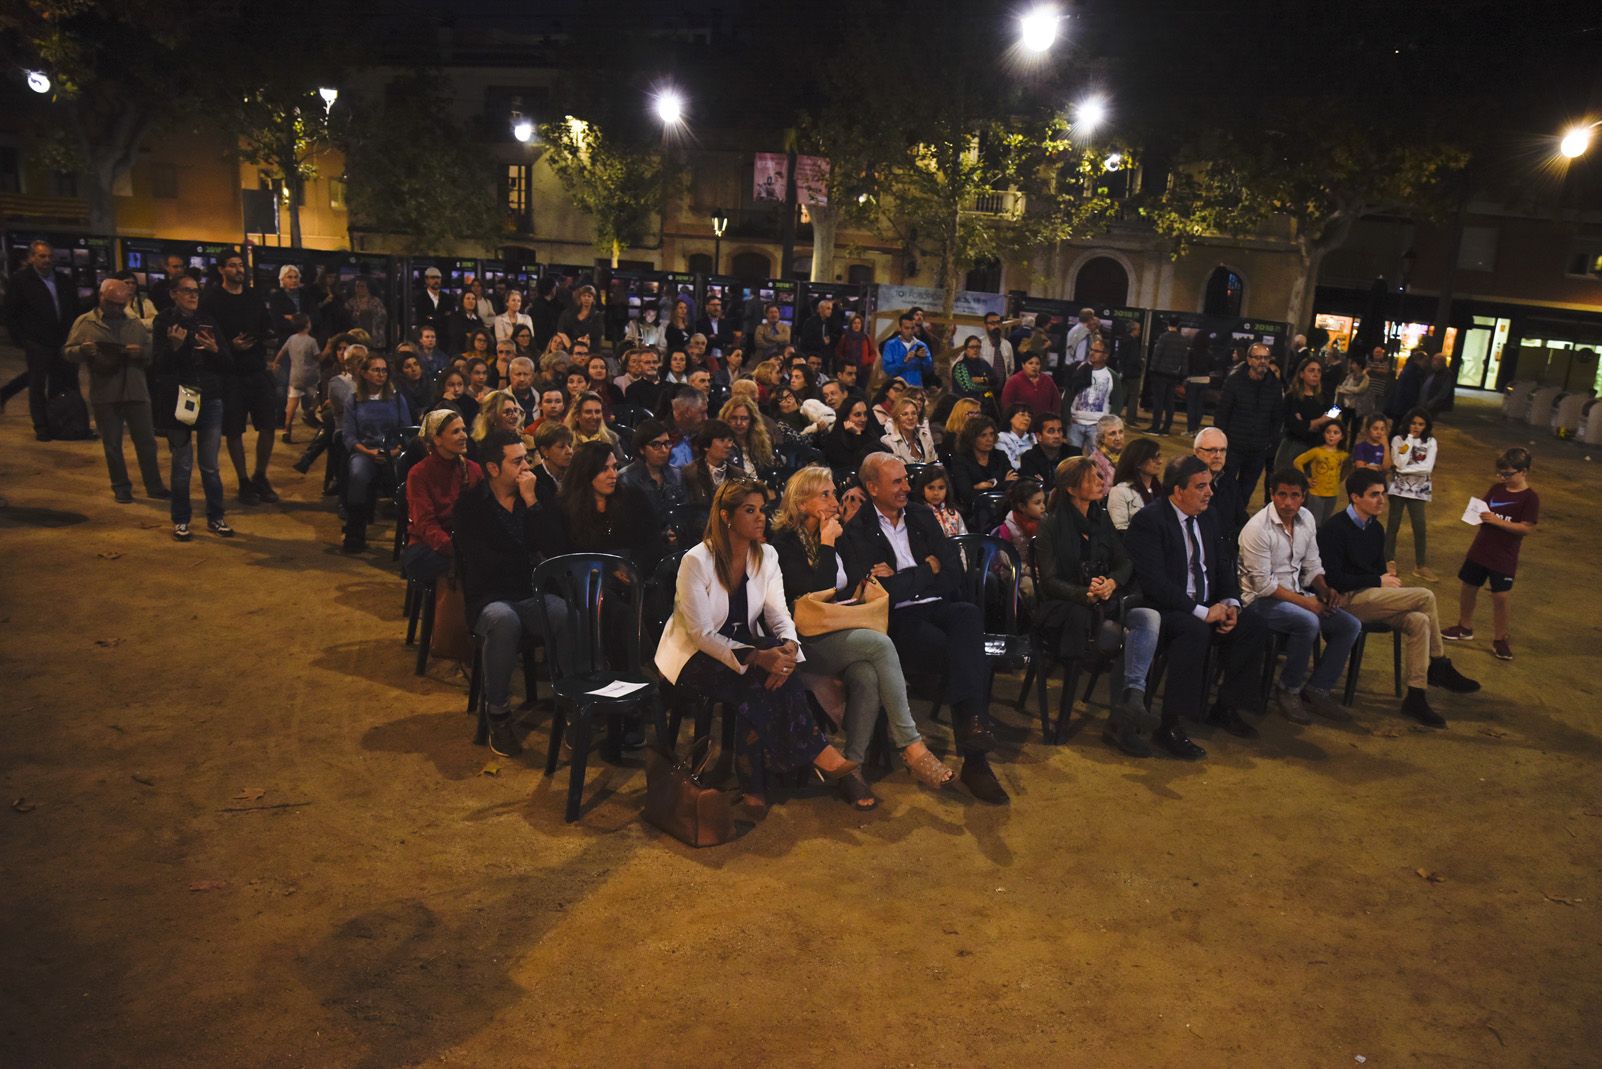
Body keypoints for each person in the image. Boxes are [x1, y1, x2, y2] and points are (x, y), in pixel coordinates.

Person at [655, 479, 861, 811]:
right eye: (749, 511)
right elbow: (700, 633)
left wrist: (789, 647)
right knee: (755, 681)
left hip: (742, 645)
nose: (760, 517)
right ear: (726, 516)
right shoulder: (697, 561)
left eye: (762, 509)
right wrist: (758, 657)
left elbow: (779, 613)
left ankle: (756, 785)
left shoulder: (766, 555)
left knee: (775, 668)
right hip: (694, 656)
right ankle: (806, 757)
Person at [769, 467, 958, 808]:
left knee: (868, 675)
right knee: (881, 644)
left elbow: (859, 576)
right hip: (805, 640)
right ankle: (911, 745)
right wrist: (827, 543)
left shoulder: (840, 535)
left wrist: (867, 570)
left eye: (833, 493)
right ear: (800, 502)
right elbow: (816, 589)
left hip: (843, 629)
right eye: (824, 495)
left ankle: (850, 768)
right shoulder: (782, 544)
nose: (834, 502)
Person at [840, 453, 1010, 804]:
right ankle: (975, 756)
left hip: (937, 605)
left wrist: (911, 577)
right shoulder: (857, 530)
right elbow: (882, 594)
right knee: (959, 653)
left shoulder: (921, 516)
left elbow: (952, 572)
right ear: (872, 487)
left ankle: (972, 728)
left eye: (905, 480)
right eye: (897, 482)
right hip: (897, 619)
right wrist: (924, 571)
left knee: (967, 614)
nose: (907, 487)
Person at [1124, 456, 1273, 758]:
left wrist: (1231, 603)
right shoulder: (1149, 521)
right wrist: (1202, 612)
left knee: (1254, 625)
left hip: (1207, 605)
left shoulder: (1209, 516)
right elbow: (1155, 584)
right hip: (1165, 610)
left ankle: (1226, 706)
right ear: (1178, 491)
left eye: (1209, 485)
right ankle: (1170, 725)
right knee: (1194, 632)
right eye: (1201, 486)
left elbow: (1223, 566)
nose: (1209, 492)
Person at [1318, 468, 1480, 726]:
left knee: (1419, 621)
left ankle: (1416, 696)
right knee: (1425, 595)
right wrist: (1379, 580)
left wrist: (1385, 581)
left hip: (1373, 598)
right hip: (1345, 602)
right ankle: (1439, 664)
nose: (1381, 500)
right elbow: (1334, 579)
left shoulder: (1375, 529)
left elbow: (1378, 569)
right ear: (1355, 497)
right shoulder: (1334, 529)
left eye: (1383, 494)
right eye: (1374, 495)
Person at [1035, 456, 1164, 756]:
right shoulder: (1050, 524)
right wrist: (1085, 594)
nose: (1100, 481)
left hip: (1106, 604)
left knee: (1148, 618)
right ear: (1070, 488)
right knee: (1127, 639)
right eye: (1091, 478)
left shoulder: (1100, 517)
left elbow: (1125, 561)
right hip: (1071, 611)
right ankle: (1124, 721)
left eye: (1099, 476)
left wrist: (1112, 584)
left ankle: (1131, 702)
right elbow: (1049, 581)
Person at [452, 429, 568, 757]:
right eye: (517, 461)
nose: (526, 466)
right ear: (492, 468)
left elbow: (556, 549)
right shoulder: (471, 506)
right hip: (490, 598)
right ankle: (499, 713)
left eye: (526, 458)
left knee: (563, 612)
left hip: (529, 592)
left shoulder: (537, 493)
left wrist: (532, 504)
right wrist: (528, 559)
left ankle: (572, 705)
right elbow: (483, 565)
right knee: (504, 620)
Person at [1237, 468, 1363, 725]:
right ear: (1271, 494)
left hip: (1297, 595)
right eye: (1282, 495)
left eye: (1295, 495)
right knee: (1307, 621)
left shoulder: (1305, 519)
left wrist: (1325, 590)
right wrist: (1308, 604)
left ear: (1304, 496)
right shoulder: (1257, 529)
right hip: (1259, 603)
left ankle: (1317, 689)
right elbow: (1262, 586)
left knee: (1350, 625)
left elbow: (1312, 563)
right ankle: (1289, 688)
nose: (1287, 502)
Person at [64, 279, 167, 504]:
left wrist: (140, 353)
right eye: (113, 304)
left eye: (122, 304)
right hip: (105, 392)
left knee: (147, 442)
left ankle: (154, 485)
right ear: (101, 297)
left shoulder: (134, 323)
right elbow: (67, 352)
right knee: (112, 443)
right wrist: (82, 350)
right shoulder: (86, 323)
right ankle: (121, 486)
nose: (117, 309)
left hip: (136, 390)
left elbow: (152, 355)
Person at [151, 272, 229, 538]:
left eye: (196, 290)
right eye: (186, 290)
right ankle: (181, 519)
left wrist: (215, 350)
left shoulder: (206, 320)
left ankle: (216, 517)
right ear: (174, 293)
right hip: (184, 395)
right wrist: (173, 347)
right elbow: (158, 367)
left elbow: (227, 360)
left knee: (210, 464)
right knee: (183, 463)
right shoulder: (164, 321)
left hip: (209, 395)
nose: (193, 295)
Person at [1443, 447, 1538, 662]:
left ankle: (1500, 638)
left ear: (1524, 472)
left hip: (1504, 556)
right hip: (1480, 549)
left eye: (1507, 474)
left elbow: (1526, 528)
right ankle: (1465, 626)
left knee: (1501, 597)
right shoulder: (1496, 489)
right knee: (1468, 586)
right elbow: (1482, 509)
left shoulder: (1530, 498)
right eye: (1501, 473)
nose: (1502, 478)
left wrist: (1497, 521)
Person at [202, 252, 279, 505]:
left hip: (256, 369)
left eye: (240, 265)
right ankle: (243, 479)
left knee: (268, 424)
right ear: (222, 270)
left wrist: (267, 338)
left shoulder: (253, 296)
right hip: (230, 373)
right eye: (233, 266)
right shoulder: (212, 299)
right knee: (234, 428)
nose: (239, 270)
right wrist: (230, 346)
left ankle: (260, 475)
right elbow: (207, 334)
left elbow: (267, 325)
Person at [533, 441, 664, 572]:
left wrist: (632, 568)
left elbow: (652, 542)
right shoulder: (563, 507)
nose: (613, 475)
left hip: (635, 576)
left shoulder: (633, 497)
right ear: (586, 472)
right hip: (584, 582)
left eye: (614, 467)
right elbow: (560, 555)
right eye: (604, 469)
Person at [3, 240, 85, 441]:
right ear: (32, 258)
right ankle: (41, 426)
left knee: (63, 383)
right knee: (37, 384)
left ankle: (62, 421)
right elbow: (10, 313)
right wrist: (22, 339)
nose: (47, 260)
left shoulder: (63, 280)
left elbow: (74, 308)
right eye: (42, 256)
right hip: (37, 341)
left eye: (49, 256)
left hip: (62, 341)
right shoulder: (21, 281)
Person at [402, 409, 484, 583]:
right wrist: (457, 548)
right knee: (469, 565)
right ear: (436, 439)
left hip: (466, 542)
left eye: (464, 430)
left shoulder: (474, 469)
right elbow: (426, 524)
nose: (464, 436)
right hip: (427, 545)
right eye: (456, 431)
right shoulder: (419, 474)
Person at [341, 350, 411, 552]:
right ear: (364, 373)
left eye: (384, 370)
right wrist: (368, 452)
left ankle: (409, 533)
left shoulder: (397, 400)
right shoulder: (353, 401)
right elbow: (349, 436)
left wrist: (396, 451)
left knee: (404, 481)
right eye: (376, 370)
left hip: (393, 452)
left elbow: (406, 430)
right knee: (358, 475)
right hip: (365, 452)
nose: (381, 374)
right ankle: (355, 532)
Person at [1214, 343, 1283, 503]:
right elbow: (1222, 413)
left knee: (1247, 489)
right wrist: (1221, 441)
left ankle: (1237, 522)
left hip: (1258, 448)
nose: (1263, 362)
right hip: (1233, 446)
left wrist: (1269, 442)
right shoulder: (1234, 382)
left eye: (1266, 358)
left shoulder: (1274, 385)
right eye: (1258, 357)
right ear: (1249, 360)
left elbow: (1277, 417)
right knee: (1225, 487)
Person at [1385, 408, 1438, 581]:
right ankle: (1388, 560)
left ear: (1426, 426)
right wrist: (1409, 439)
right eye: (1413, 423)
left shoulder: (1430, 442)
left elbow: (1427, 468)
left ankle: (1420, 565)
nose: (1416, 427)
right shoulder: (1399, 440)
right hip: (1399, 488)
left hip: (1419, 490)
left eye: (1421, 424)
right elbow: (1399, 461)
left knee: (1420, 526)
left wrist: (1404, 469)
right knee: (1393, 524)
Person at [619, 418, 688, 530]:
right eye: (656, 445)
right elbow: (629, 522)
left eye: (667, 443)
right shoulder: (626, 479)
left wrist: (676, 530)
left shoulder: (677, 474)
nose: (664, 450)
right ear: (641, 449)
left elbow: (684, 512)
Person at [990, 476, 1046, 600]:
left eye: (1043, 502)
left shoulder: (1045, 523)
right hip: (1016, 571)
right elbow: (1005, 558)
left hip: (1040, 569)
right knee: (1032, 588)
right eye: (1037, 503)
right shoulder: (1009, 527)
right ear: (1022, 507)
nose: (1043, 507)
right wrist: (1027, 569)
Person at [947, 414, 1017, 512]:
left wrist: (982, 487)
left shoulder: (1000, 456)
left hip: (1004, 506)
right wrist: (1002, 483)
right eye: (983, 435)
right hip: (975, 511)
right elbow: (967, 495)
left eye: (992, 434)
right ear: (971, 438)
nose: (989, 439)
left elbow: (1013, 483)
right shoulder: (961, 460)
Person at [1193, 427, 1247, 547]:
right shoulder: (1187, 481)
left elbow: (1242, 519)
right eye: (1211, 450)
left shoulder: (1229, 481)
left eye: (1222, 450)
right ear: (1197, 452)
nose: (1218, 455)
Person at [271, 313, 320, 444]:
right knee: (318, 398)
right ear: (308, 325)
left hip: (295, 376)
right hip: (310, 377)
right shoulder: (311, 341)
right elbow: (318, 358)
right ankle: (310, 412)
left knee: (291, 404)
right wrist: (327, 349)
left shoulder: (292, 338)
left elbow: (282, 352)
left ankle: (287, 430)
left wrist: (275, 363)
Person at [1063, 336, 1115, 453]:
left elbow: (1118, 400)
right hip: (1075, 423)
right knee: (1073, 459)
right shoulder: (1077, 369)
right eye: (1091, 350)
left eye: (1096, 351)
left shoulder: (1111, 375)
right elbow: (1068, 395)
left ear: (1105, 355)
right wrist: (1067, 418)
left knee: (1097, 461)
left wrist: (1108, 423)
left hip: (1097, 426)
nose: (1092, 353)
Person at [1295, 421, 1349, 524]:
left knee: (1325, 522)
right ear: (1324, 434)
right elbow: (1298, 462)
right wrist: (1306, 479)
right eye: (1328, 432)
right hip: (1316, 493)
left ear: (1342, 436)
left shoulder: (1343, 455)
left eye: (1336, 432)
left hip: (1333, 493)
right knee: (1312, 523)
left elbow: (1347, 468)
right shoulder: (1317, 451)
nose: (1331, 435)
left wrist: (1339, 479)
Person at [821, 397, 887, 479]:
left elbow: (883, 454)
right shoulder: (834, 441)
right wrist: (857, 436)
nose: (863, 419)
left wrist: (858, 434)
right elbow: (856, 464)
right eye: (857, 415)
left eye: (865, 414)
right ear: (846, 418)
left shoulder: (869, 434)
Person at [1107, 436, 1162, 530]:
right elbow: (1119, 529)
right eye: (1154, 458)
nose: (1160, 462)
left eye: (1159, 456)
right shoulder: (1119, 492)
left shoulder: (1161, 491)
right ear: (1139, 462)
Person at [681, 418, 736, 511]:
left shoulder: (738, 474)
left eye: (730, 440)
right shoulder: (690, 473)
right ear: (706, 445)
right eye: (722, 440)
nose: (729, 445)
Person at [1144, 316, 1187, 435]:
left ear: (1168, 323)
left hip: (1160, 374)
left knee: (1158, 401)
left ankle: (1155, 427)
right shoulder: (1182, 340)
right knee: (1169, 402)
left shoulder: (1164, 337)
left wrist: (1152, 369)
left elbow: (1157, 355)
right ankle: (1167, 427)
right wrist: (1182, 374)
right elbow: (1184, 359)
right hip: (1173, 375)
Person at [999, 351, 1061, 423]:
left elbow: (1056, 402)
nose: (1034, 366)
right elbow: (1007, 404)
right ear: (1023, 365)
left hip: (1045, 424)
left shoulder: (1047, 380)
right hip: (1021, 424)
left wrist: (1053, 419)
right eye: (1030, 363)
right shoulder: (1013, 381)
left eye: (1037, 364)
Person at [719, 396, 773, 477]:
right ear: (726, 419)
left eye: (744, 418)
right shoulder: (721, 446)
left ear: (752, 420)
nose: (739, 423)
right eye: (734, 418)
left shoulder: (761, 443)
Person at [912, 463, 967, 538]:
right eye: (931, 488)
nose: (936, 493)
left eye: (941, 488)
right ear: (922, 490)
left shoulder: (954, 514)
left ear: (947, 489)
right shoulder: (918, 516)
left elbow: (963, 540)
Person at [952, 334, 1001, 417]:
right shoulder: (960, 367)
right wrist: (987, 389)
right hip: (967, 409)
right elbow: (968, 388)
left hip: (987, 407)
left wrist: (983, 380)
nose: (975, 350)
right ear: (966, 349)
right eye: (972, 347)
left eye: (978, 347)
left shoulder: (983, 363)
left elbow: (996, 380)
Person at [564, 391, 623, 459]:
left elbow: (622, 465)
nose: (594, 417)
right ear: (577, 416)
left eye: (597, 412)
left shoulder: (612, 438)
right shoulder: (566, 440)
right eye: (588, 412)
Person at [880, 314, 934, 387]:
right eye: (906, 328)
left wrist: (924, 359)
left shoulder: (921, 345)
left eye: (912, 328)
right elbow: (888, 370)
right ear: (900, 328)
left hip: (915, 388)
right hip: (896, 389)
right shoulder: (890, 345)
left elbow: (928, 370)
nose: (910, 331)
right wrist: (904, 361)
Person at [880, 396, 937, 464]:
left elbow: (933, 463)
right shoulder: (888, 442)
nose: (910, 417)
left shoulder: (926, 437)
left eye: (914, 413)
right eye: (904, 414)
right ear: (896, 418)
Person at [530, 419, 574, 504]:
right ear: (544, 451)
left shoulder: (575, 475)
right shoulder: (535, 481)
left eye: (570, 445)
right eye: (561, 447)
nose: (569, 451)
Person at [1018, 413, 1068, 487]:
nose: (1057, 436)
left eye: (1059, 431)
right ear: (1039, 436)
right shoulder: (1029, 458)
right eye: (1051, 431)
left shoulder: (1073, 454)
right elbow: (1031, 489)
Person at [1182, 329, 1213, 436]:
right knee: (1200, 406)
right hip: (1205, 380)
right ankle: (1196, 430)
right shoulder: (1209, 354)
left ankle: (1190, 429)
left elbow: (1188, 367)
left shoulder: (1191, 352)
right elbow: (1212, 367)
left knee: (1191, 405)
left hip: (1193, 380)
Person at [556, 284, 603, 354]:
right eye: (584, 296)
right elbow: (561, 331)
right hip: (570, 348)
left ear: (593, 299)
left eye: (589, 296)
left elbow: (596, 334)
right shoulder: (569, 313)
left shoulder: (597, 315)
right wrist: (571, 348)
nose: (586, 298)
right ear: (580, 297)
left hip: (591, 350)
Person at [1112, 319, 1143, 423]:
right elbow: (1133, 358)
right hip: (1133, 373)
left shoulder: (1123, 340)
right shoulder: (1132, 341)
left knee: (1122, 396)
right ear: (1133, 330)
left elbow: (1121, 357)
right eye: (1138, 329)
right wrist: (1139, 365)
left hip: (1124, 372)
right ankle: (1130, 419)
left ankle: (1114, 415)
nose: (1139, 331)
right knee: (1133, 396)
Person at [344, 277, 388, 350]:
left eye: (362, 286)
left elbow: (383, 317)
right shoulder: (350, 303)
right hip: (356, 337)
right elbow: (346, 319)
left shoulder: (376, 302)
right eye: (357, 286)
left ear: (368, 288)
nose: (359, 289)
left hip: (374, 337)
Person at [1087, 414, 1123, 496]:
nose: (1118, 438)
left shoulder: (1126, 457)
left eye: (1120, 432)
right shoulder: (1094, 462)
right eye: (1112, 434)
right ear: (1102, 438)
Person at [694, 294, 735, 362]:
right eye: (713, 305)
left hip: (723, 357)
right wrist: (721, 339)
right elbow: (703, 340)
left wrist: (716, 337)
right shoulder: (700, 323)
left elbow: (730, 338)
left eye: (718, 305)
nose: (716, 308)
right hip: (706, 357)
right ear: (707, 307)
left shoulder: (725, 323)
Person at [1060, 307, 1099, 378]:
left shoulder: (1073, 329)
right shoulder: (1084, 332)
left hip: (1069, 366)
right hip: (1077, 368)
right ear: (1090, 319)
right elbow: (1080, 354)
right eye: (1092, 318)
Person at [797, 297, 837, 365]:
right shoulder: (810, 322)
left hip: (823, 358)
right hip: (811, 357)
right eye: (828, 308)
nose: (830, 311)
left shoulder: (828, 323)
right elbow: (805, 341)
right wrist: (822, 342)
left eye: (831, 309)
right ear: (820, 309)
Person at [995, 404, 1036, 470]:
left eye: (1029, 416)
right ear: (1010, 418)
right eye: (1022, 415)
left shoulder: (1033, 438)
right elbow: (1008, 463)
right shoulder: (1001, 438)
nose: (1027, 418)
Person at [414, 267, 453, 334]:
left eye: (438, 278)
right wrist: (442, 316)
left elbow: (450, 320)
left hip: (444, 337)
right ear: (426, 280)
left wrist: (431, 317)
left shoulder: (448, 298)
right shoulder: (420, 298)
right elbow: (421, 320)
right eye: (433, 278)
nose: (436, 280)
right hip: (426, 337)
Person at [444, 289, 484, 356]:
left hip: (476, 352)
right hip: (459, 352)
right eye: (468, 298)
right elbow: (455, 336)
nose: (471, 301)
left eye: (473, 299)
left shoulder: (479, 320)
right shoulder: (455, 317)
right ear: (462, 302)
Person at [834, 311, 874, 377]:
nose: (856, 325)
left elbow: (873, 353)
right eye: (854, 323)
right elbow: (838, 352)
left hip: (863, 371)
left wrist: (867, 362)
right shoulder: (845, 338)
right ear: (851, 324)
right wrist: (844, 362)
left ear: (861, 325)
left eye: (859, 323)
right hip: (848, 370)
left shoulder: (866, 338)